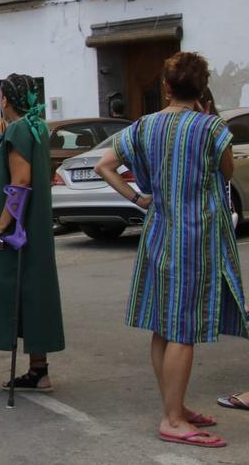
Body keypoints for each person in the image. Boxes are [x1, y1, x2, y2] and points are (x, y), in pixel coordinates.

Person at [96, 53, 246, 448]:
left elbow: (104, 165)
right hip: (196, 239)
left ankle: (173, 405)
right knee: (183, 330)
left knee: (164, 326)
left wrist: (137, 197)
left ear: (165, 87)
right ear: (201, 90)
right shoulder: (212, 127)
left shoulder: (145, 126)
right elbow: (227, 173)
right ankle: (173, 418)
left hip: (159, 233)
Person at [0, 74, 65, 395]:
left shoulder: (16, 129)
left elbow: (21, 180)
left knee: (16, 290)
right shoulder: (37, 126)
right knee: (33, 293)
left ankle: (37, 370)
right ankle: (39, 369)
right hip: (37, 224)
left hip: (20, 227)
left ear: (5, 100)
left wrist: (1, 223)